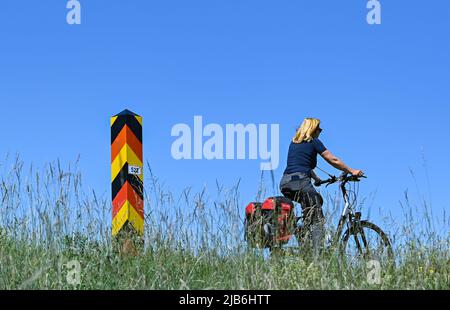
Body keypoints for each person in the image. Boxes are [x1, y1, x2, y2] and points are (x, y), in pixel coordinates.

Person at [280, 118, 364, 254]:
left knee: (315, 202)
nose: (321, 131)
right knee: (317, 218)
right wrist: (352, 171)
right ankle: (317, 255)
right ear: (313, 129)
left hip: (286, 182)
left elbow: (299, 164)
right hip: (301, 182)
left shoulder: (294, 143)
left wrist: (315, 178)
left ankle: (302, 236)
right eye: (319, 128)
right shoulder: (313, 142)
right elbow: (333, 159)